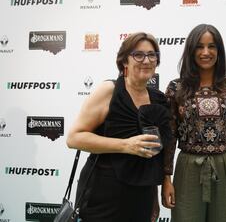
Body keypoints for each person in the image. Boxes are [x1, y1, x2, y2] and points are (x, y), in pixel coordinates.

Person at [66, 32, 171, 222]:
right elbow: (74, 138)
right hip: (103, 193)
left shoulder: (159, 99)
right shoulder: (109, 91)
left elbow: (155, 156)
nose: (146, 60)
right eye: (138, 55)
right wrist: (125, 145)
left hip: (142, 196)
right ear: (124, 61)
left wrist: (154, 194)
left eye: (152, 55)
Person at [162, 24, 226, 222]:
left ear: (219, 51)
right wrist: (166, 179)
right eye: (199, 47)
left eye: (212, 46)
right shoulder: (176, 87)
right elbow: (169, 137)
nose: (206, 52)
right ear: (190, 50)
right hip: (188, 167)